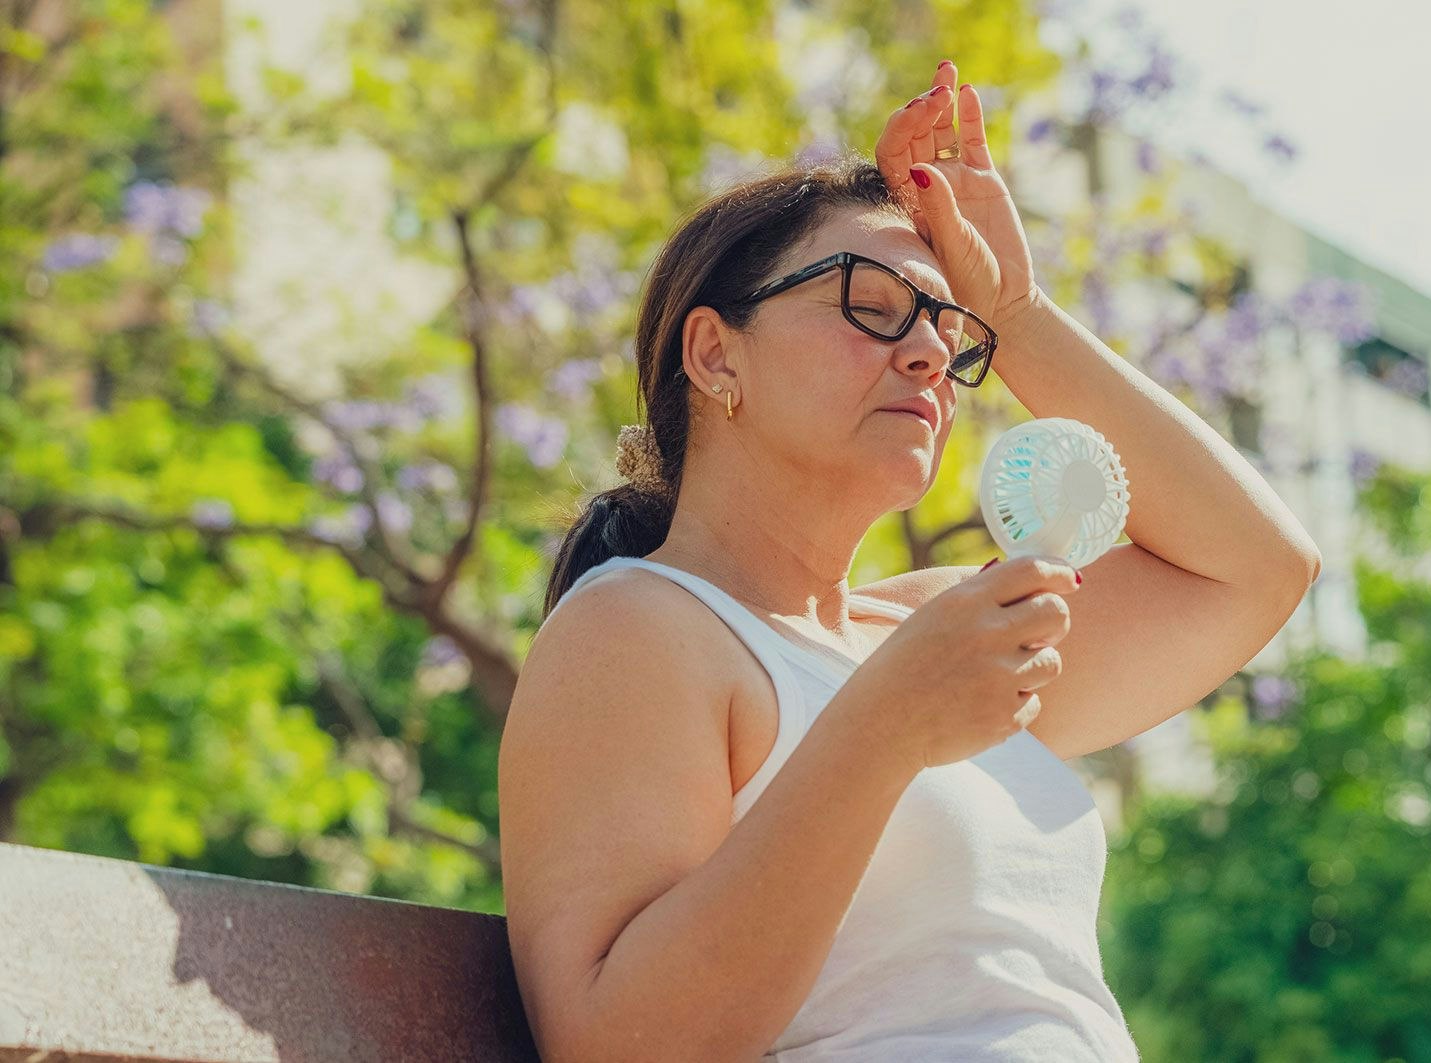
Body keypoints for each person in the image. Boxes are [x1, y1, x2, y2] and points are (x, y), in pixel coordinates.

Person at [497, 57, 1321, 1062]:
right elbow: (614, 1046)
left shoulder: (941, 633)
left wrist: (1013, 310)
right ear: (716, 355)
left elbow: (1256, 568)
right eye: (871, 302)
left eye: (950, 326)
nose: (933, 352)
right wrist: (887, 726)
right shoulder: (637, 626)